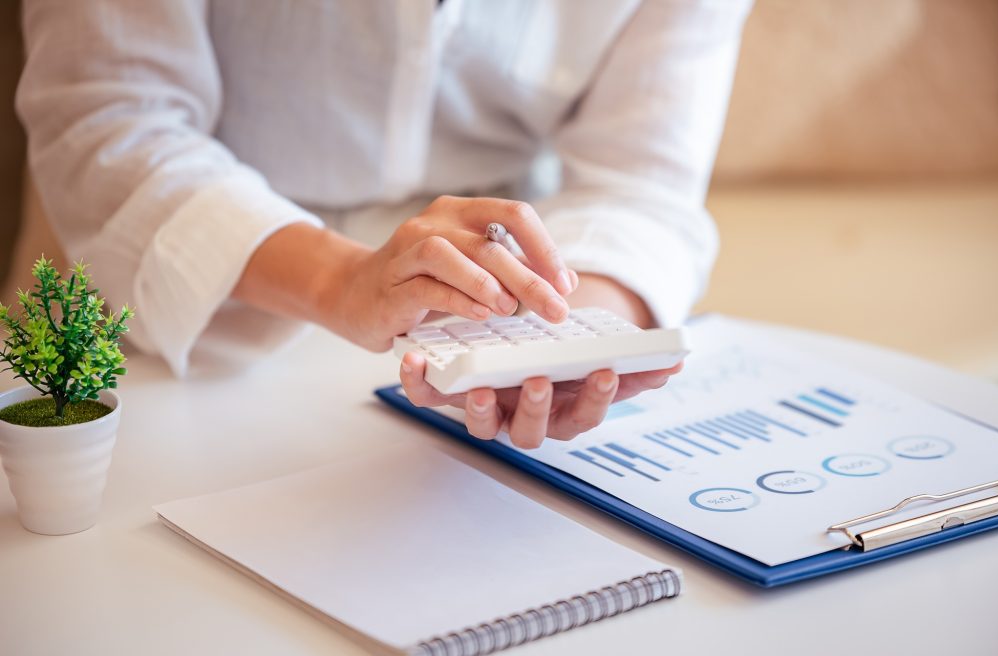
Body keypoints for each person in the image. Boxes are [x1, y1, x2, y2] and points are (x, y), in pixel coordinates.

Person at [16, 0, 752, 448]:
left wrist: (562, 339)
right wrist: (342, 279)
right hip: (166, 322)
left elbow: (642, 183)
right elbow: (108, 119)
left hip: (481, 339)